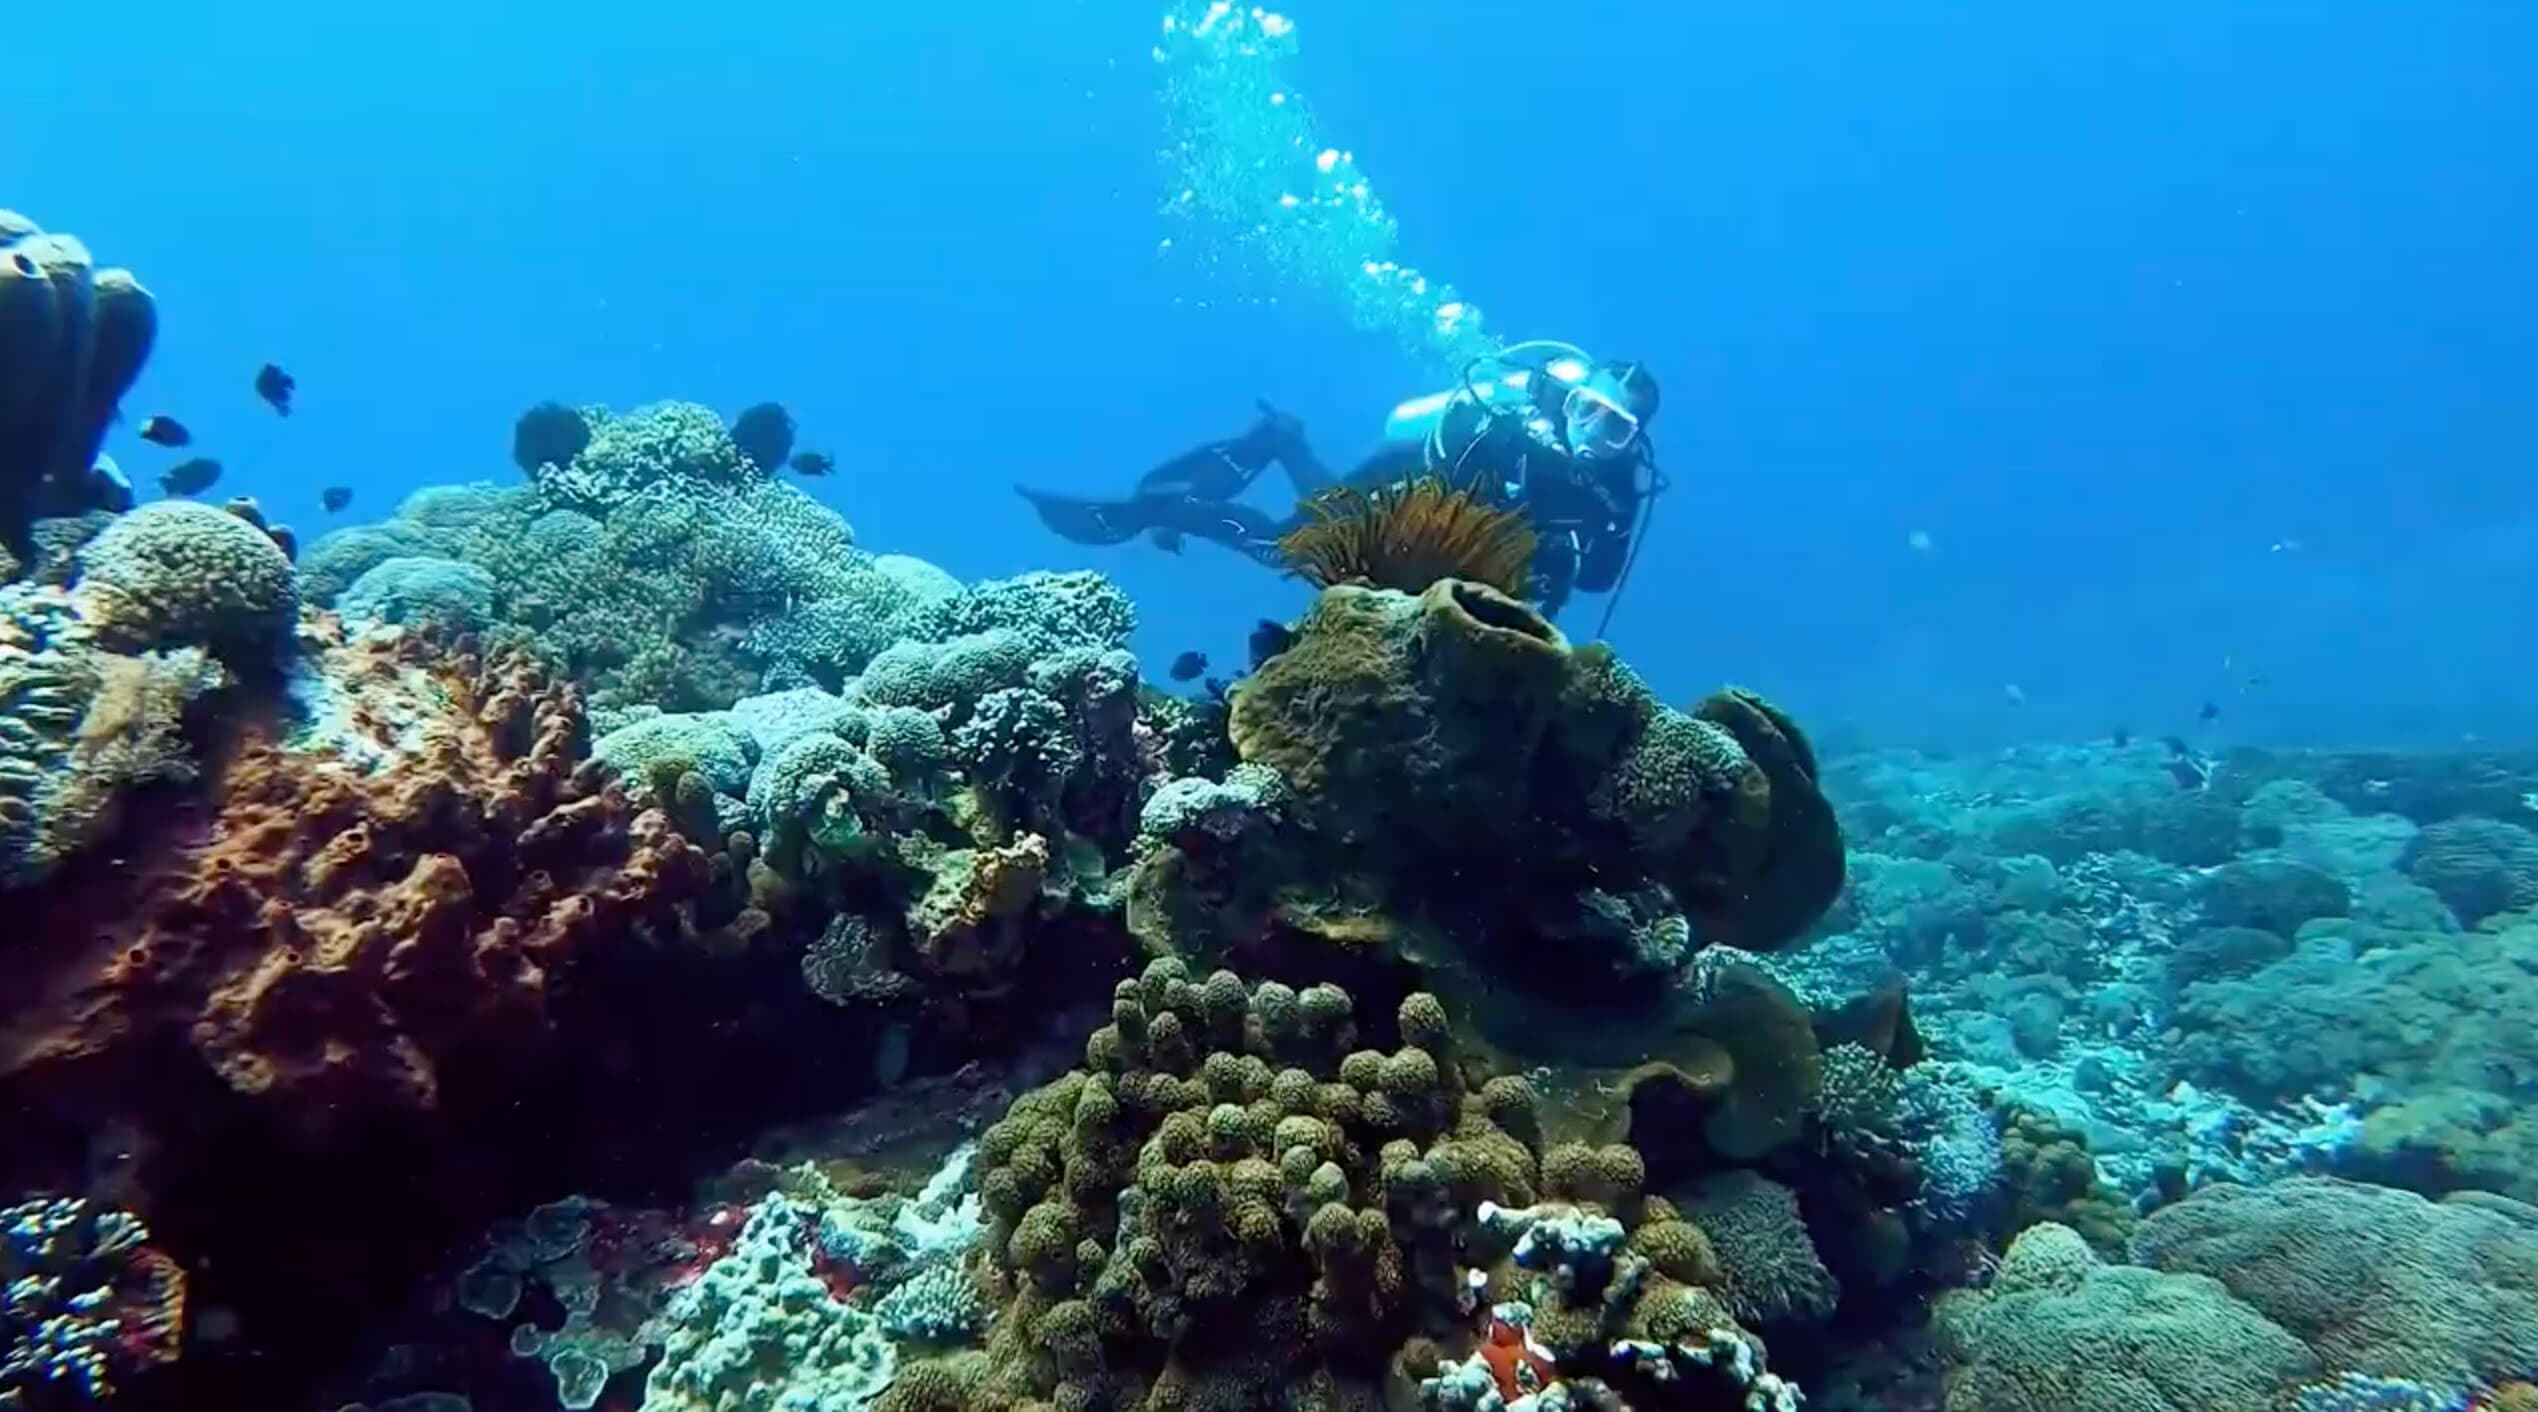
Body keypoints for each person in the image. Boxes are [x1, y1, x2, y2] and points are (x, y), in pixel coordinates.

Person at [1016, 341, 1664, 619]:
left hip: (1436, 544)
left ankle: (1283, 439)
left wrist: (1593, 526)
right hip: (1408, 485)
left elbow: (1600, 578)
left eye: (1615, 430)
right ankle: (1157, 508)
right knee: (1288, 547)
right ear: (1567, 398)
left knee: (1323, 525)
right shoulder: (1508, 425)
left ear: (1632, 441)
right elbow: (1440, 475)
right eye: (1588, 411)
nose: (1592, 435)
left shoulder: (1618, 486)